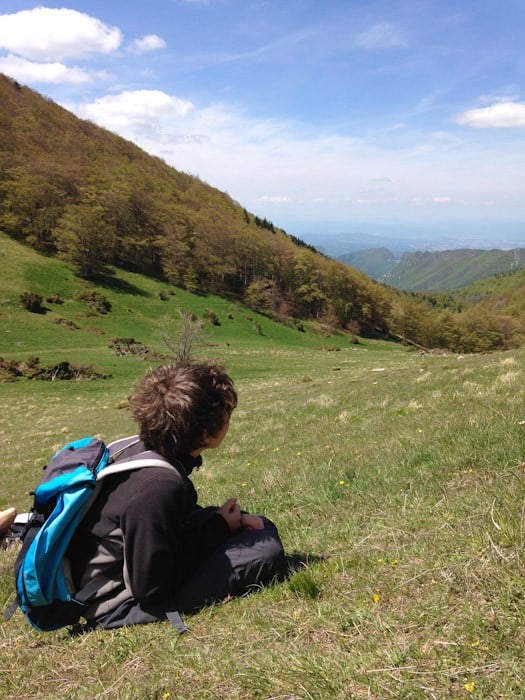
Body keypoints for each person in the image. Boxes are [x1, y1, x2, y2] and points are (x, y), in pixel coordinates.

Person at [69, 360, 284, 629]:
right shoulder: (158, 486)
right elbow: (151, 588)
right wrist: (219, 529)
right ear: (206, 434)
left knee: (256, 527)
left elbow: (169, 525)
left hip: (122, 569)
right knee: (266, 551)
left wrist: (230, 523)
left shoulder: (136, 448)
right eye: (227, 416)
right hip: (116, 602)